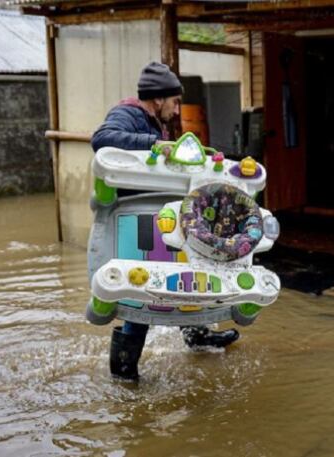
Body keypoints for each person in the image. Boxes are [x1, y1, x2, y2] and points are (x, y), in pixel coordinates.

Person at [91, 62, 240, 381]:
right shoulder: (128, 115)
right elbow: (101, 139)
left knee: (184, 276)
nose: (176, 109)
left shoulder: (153, 121)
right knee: (142, 290)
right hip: (135, 221)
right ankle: (124, 372)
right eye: (174, 101)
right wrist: (154, 145)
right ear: (157, 99)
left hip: (162, 217)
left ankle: (197, 338)